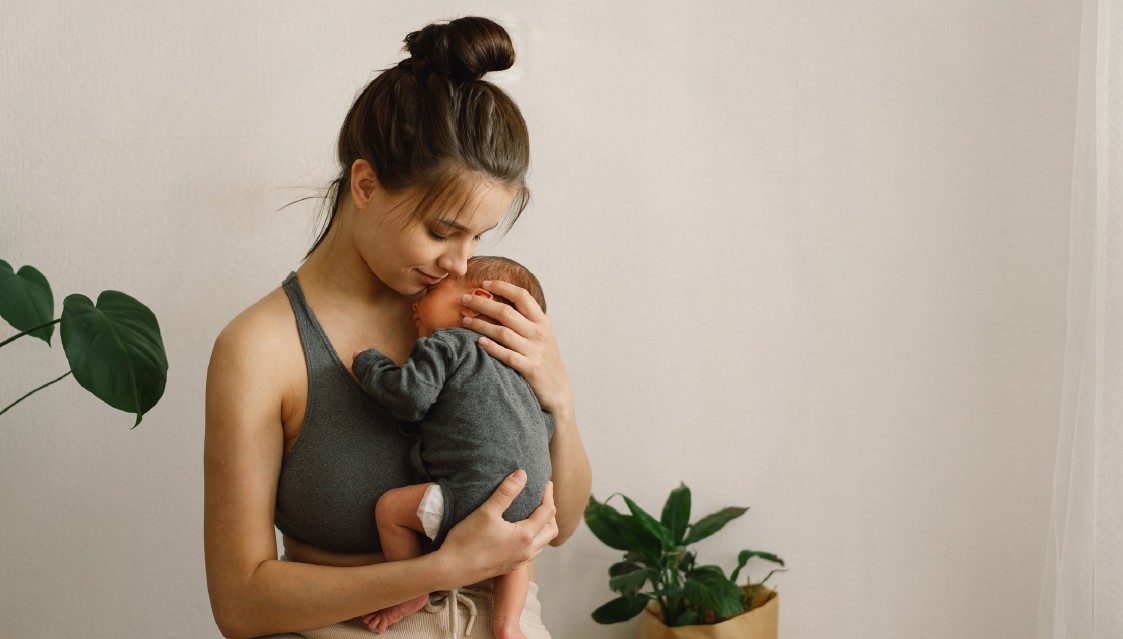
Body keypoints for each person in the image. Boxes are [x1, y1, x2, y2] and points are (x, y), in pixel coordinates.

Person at [203, 16, 592, 639]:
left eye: (478, 237)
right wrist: (442, 569)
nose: (460, 263)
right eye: (441, 231)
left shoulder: (472, 311)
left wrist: (561, 401)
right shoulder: (260, 349)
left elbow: (563, 522)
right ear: (365, 184)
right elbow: (241, 603)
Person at [352, 256, 553, 639]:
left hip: (472, 495)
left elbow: (409, 397)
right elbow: (545, 426)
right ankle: (508, 625)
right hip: (533, 497)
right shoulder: (521, 374)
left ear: (475, 302)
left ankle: (411, 592)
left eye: (431, 292)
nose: (415, 304)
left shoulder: (445, 343)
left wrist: (369, 364)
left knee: (390, 509)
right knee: (517, 553)